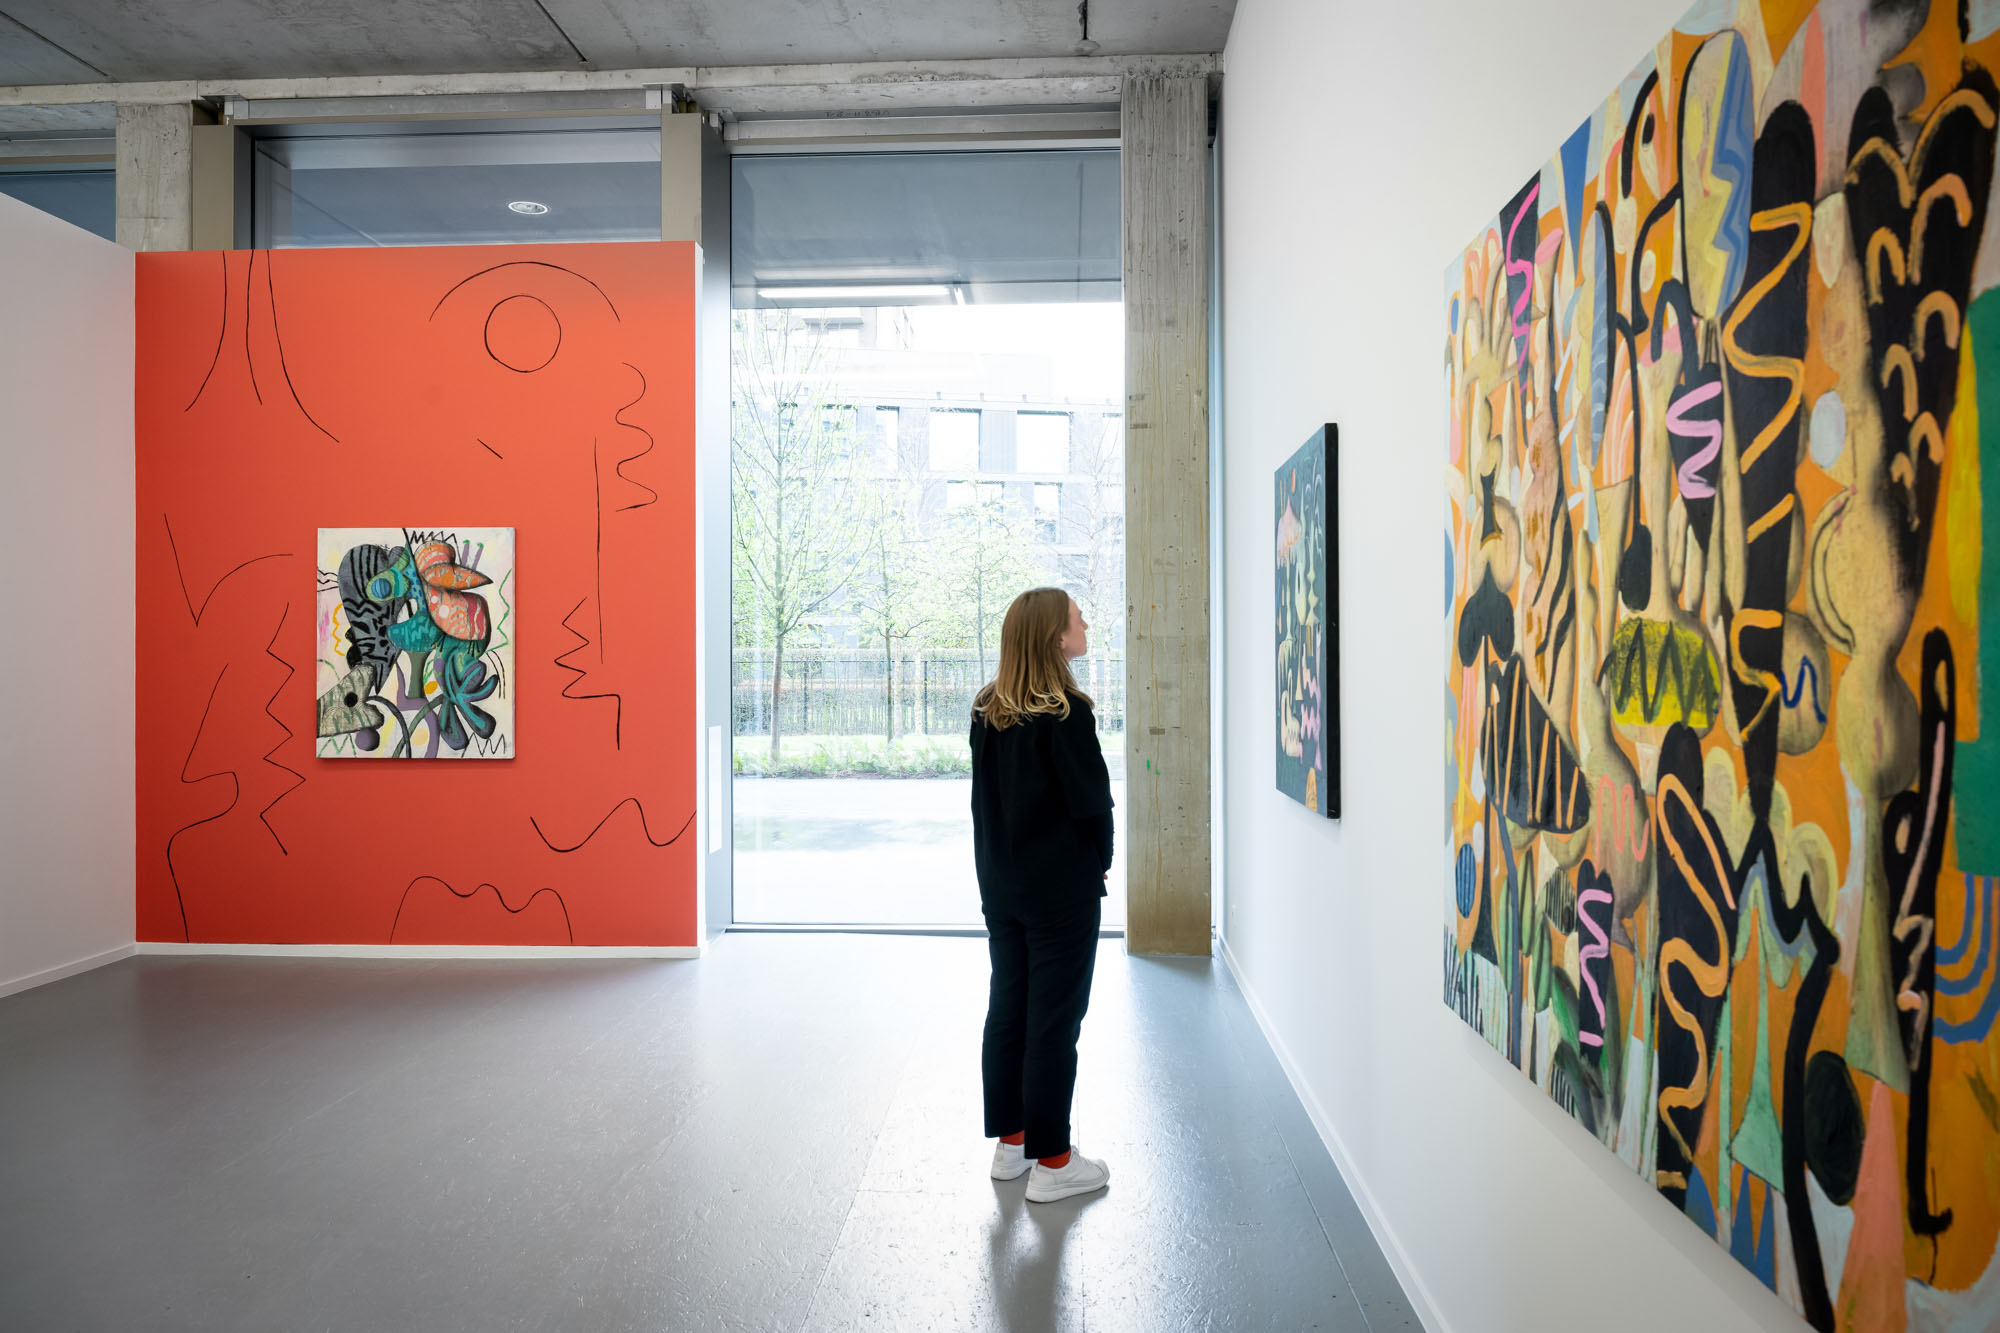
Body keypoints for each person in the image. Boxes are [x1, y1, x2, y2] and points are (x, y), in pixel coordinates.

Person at [970, 587, 1114, 1204]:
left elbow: (983, 805)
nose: (1085, 624)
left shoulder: (987, 709)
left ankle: (1014, 1143)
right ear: (1057, 637)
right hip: (1060, 892)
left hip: (1003, 888)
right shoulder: (1066, 713)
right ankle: (1054, 1163)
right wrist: (1100, 863)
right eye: (1078, 618)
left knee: (1010, 1008)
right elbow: (1093, 804)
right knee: (1054, 1020)